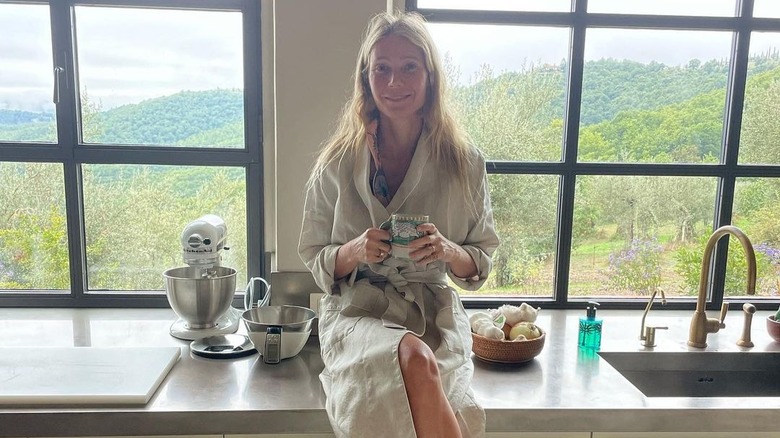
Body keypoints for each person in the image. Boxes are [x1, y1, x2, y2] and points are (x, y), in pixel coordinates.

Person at [298, 10, 499, 438]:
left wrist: (447, 250)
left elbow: (478, 263)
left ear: (430, 75)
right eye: (382, 69)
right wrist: (353, 251)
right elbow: (314, 256)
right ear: (365, 78)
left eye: (409, 67)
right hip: (356, 312)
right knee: (415, 360)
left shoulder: (465, 163)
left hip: (433, 315)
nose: (395, 83)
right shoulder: (335, 163)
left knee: (427, 370)